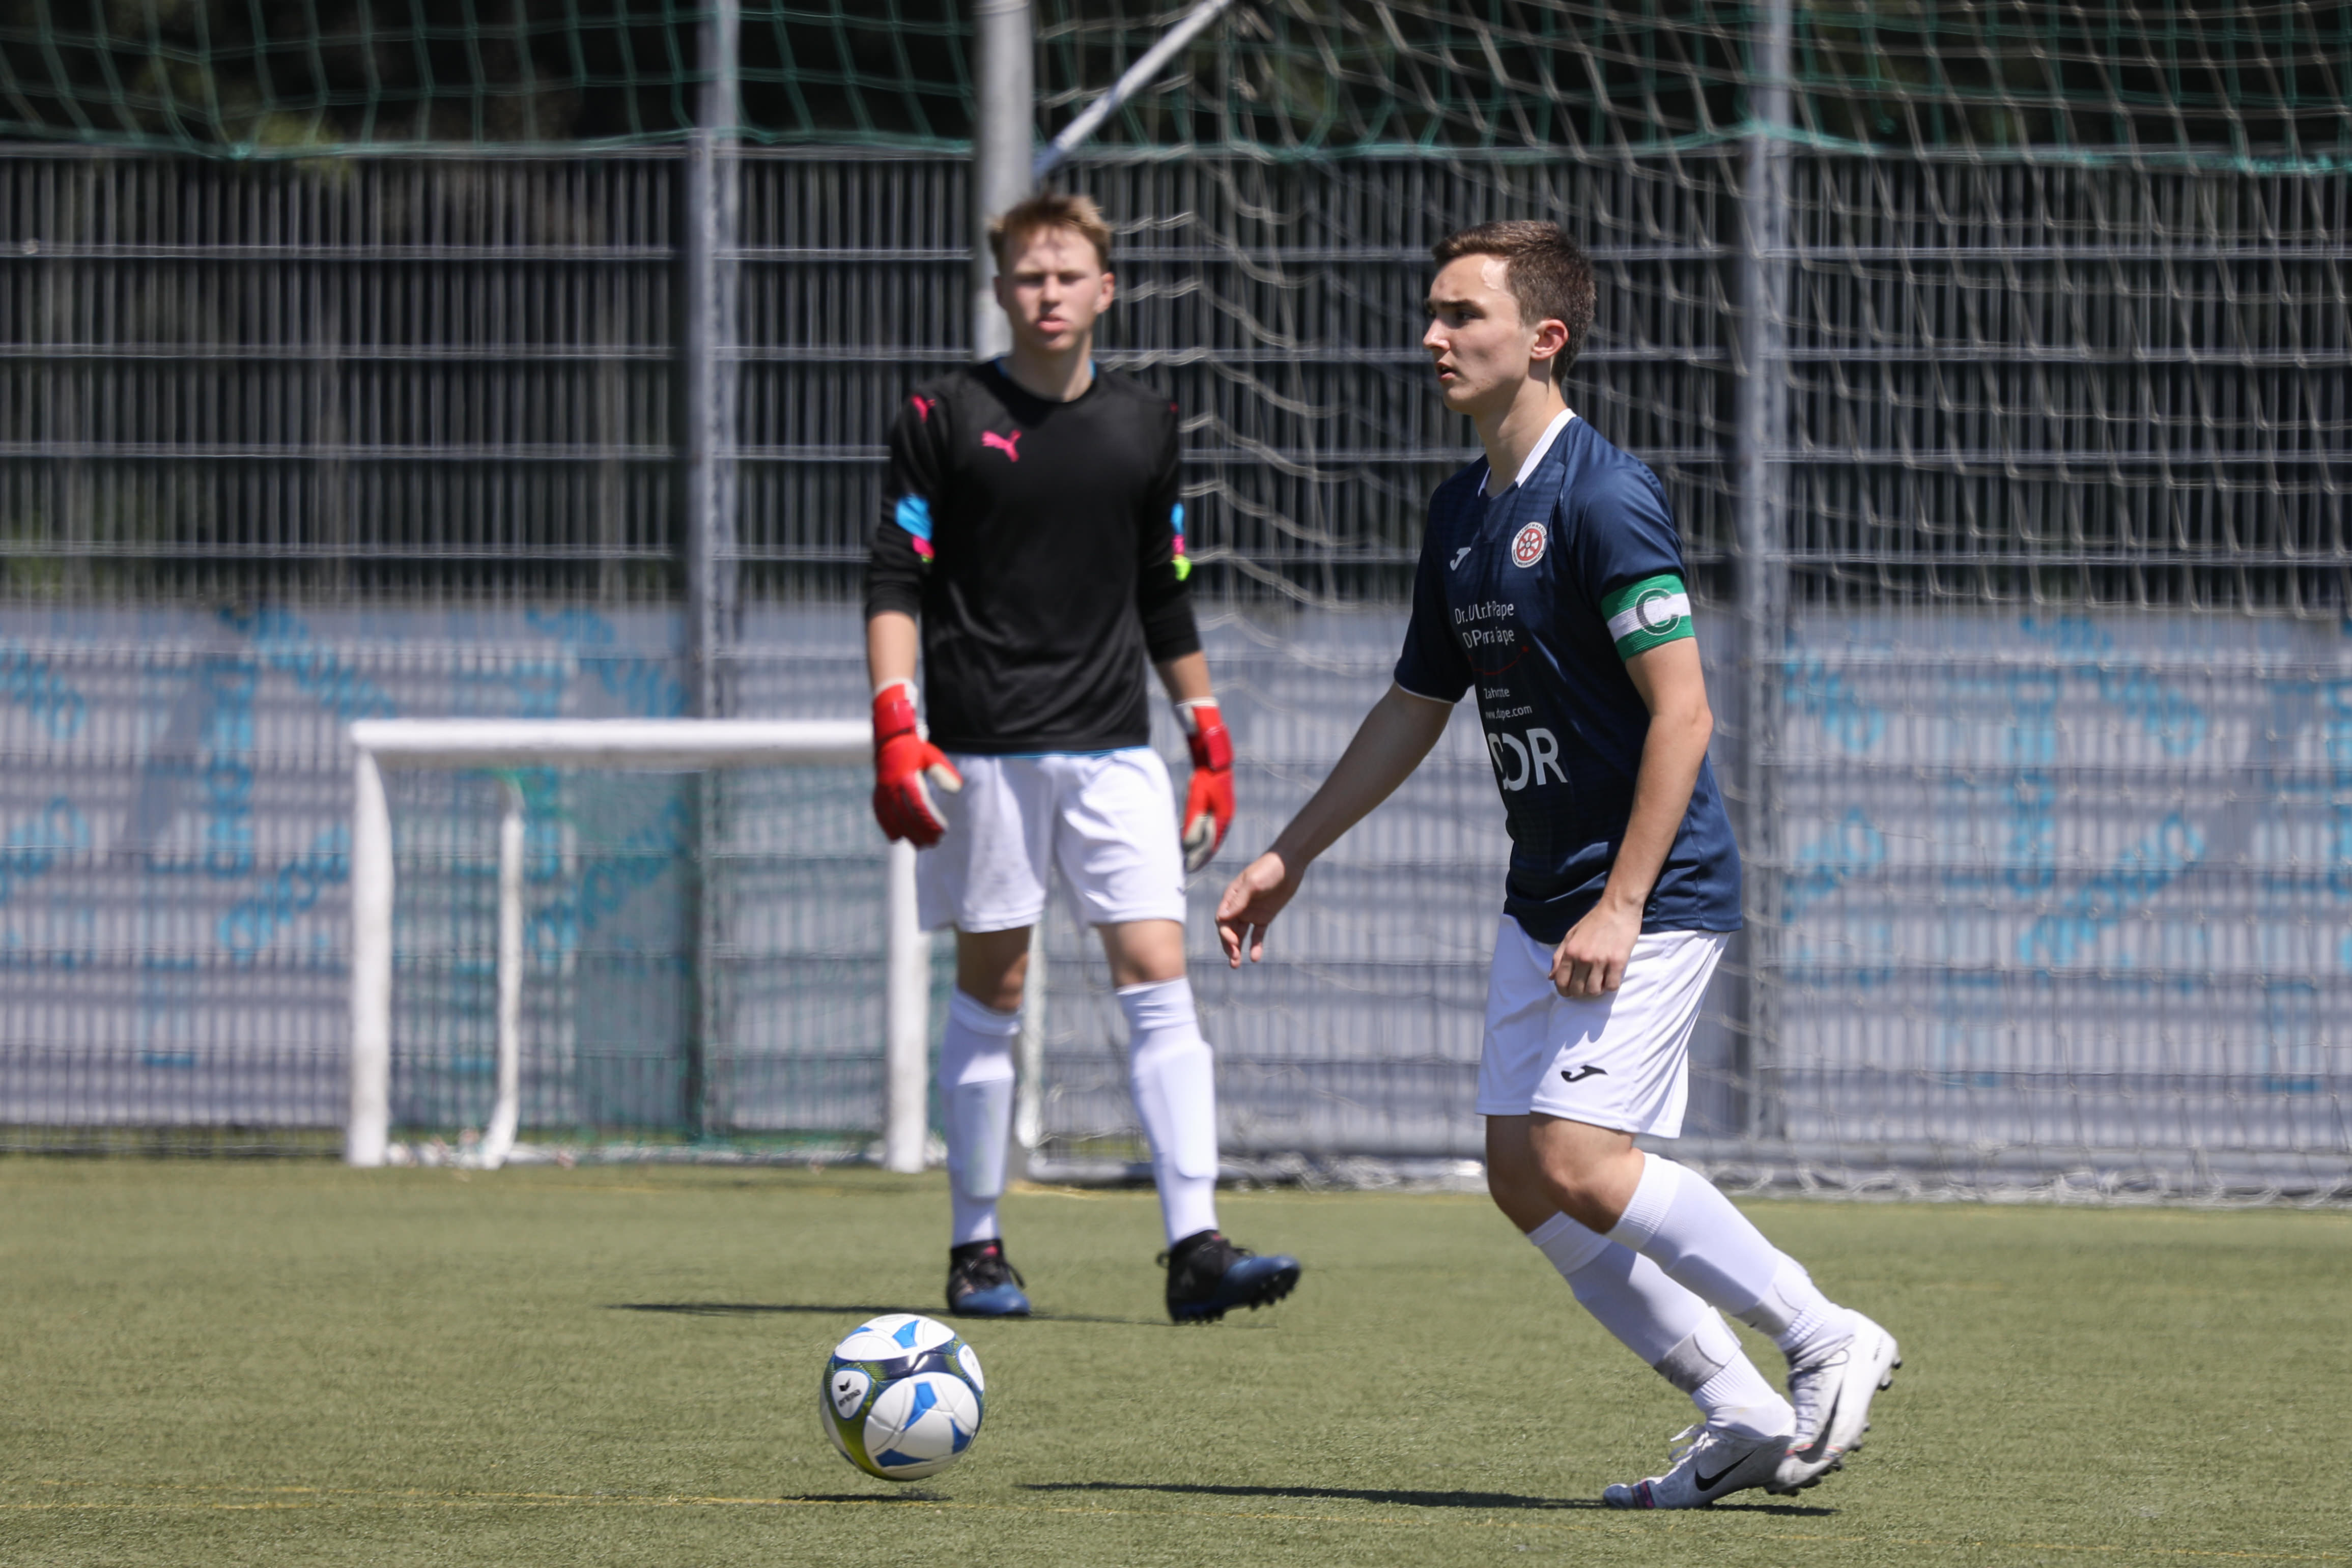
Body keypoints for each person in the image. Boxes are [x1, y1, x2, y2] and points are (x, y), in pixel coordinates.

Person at [1212, 220, 1895, 1504]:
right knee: (1523, 1176)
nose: (1432, 337)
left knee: (1580, 1157)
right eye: (1431, 312)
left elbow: (1684, 712)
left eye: (1460, 314)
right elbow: (1415, 704)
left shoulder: (1602, 494)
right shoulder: (1460, 510)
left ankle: (1822, 1334)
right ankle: (1738, 1406)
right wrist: (1289, 852)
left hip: (1649, 892)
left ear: (1544, 338)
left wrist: (1621, 903)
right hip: (1541, 894)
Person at [864, 190, 1302, 1326]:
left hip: (1116, 750)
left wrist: (1206, 736)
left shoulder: (1146, 423)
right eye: (1027, 276)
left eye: (1067, 275)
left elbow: (1164, 591)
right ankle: (975, 1248)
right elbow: (895, 578)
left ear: (1105, 288)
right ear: (999, 289)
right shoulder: (942, 414)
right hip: (983, 753)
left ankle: (1196, 1247)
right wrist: (896, 723)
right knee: (994, 987)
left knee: (1158, 972)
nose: (1047, 293)